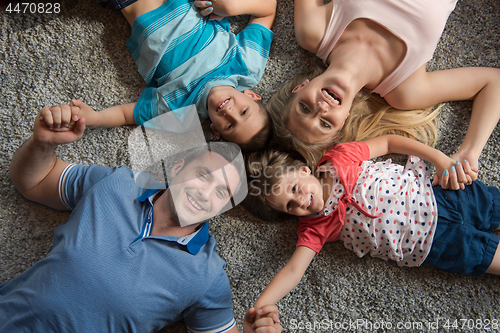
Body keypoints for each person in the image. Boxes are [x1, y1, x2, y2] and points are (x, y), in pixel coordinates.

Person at [1, 103, 282, 333]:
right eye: (202, 175)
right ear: (177, 167)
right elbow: (33, 182)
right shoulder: (116, 183)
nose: (206, 194)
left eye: (221, 193)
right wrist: (42, 144)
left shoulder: (206, 275)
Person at [245, 134, 500, 313]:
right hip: (434, 243)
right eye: (290, 206)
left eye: (294, 189)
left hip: (442, 193)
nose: (300, 202)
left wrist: (438, 158)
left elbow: (389, 141)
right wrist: (260, 305)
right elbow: (293, 270)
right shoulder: (314, 227)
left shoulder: (339, 158)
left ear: (303, 170)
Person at [266, 0, 500, 172]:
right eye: (326, 123)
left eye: (304, 108)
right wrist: (471, 150)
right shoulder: (404, 89)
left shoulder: (312, 32)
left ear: (300, 88)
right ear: (344, 120)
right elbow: (493, 82)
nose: (320, 109)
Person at [57, 0, 277, 152]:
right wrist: (229, 6)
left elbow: (129, 114)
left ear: (215, 131)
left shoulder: (182, 112)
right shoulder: (247, 67)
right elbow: (267, 9)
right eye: (243, 111)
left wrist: (95, 118)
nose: (230, 112)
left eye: (229, 125)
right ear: (252, 95)